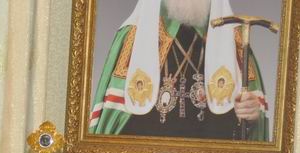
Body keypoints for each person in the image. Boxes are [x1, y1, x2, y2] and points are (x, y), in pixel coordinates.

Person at [89, 0, 269, 140]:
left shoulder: (235, 41)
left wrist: (251, 116)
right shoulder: (132, 36)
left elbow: (249, 131)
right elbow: (112, 122)